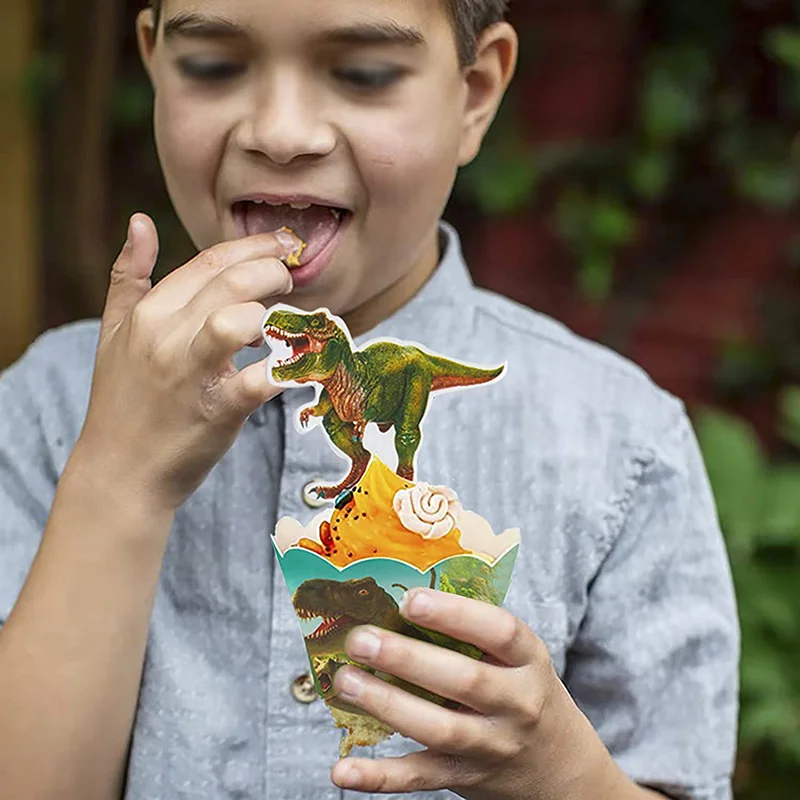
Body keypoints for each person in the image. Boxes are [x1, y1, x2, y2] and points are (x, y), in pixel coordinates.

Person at [0, 1, 739, 798]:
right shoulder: (47, 406)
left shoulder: (624, 442)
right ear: (154, 64)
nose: (280, 132)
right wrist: (118, 477)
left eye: (362, 73)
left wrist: (562, 772)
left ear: (475, 95)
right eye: (213, 65)